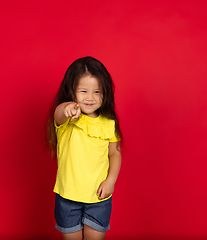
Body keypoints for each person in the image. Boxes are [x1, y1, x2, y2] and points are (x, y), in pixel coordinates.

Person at [47, 56, 122, 240]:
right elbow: (58, 115)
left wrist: (111, 181)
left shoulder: (109, 123)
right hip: (68, 197)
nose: (90, 97)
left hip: (98, 198)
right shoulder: (68, 117)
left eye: (97, 91)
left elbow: (115, 153)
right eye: (83, 91)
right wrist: (67, 109)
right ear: (71, 91)